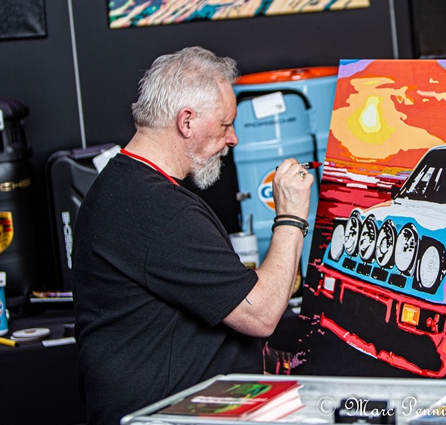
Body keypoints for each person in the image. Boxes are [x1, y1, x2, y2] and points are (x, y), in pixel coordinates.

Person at [72, 46, 312, 425]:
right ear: (187, 121)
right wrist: (291, 217)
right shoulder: (158, 208)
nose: (233, 138)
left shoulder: (119, 185)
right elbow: (261, 313)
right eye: (225, 124)